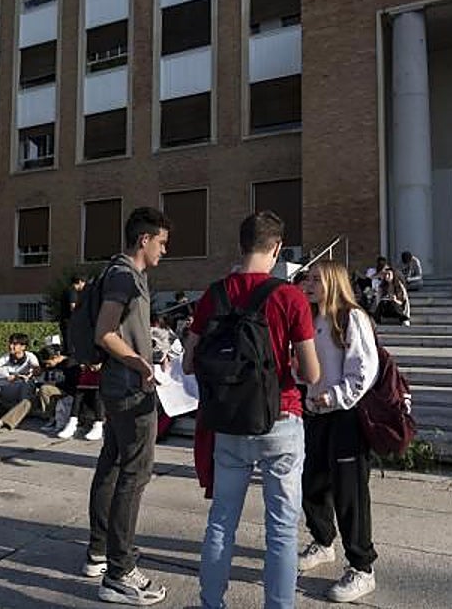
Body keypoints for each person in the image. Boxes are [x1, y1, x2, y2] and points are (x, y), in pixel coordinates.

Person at [184, 210, 320, 609]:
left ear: (241, 245)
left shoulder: (214, 294)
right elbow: (311, 372)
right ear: (276, 248)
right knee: (280, 530)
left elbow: (189, 362)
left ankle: (212, 603)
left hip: (228, 423)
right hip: (280, 419)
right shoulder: (290, 296)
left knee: (221, 523)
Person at [84, 206, 171, 605]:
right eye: (162, 242)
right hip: (129, 389)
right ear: (145, 240)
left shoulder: (116, 271)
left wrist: (148, 346)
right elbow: (105, 331)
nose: (164, 251)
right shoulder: (124, 275)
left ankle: (99, 553)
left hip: (117, 385)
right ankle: (120, 573)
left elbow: (116, 329)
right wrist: (138, 362)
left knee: (113, 464)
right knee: (134, 475)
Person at [297, 260, 381, 603]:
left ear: (333, 282)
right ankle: (323, 541)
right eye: (308, 278)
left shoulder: (351, 317)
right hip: (314, 413)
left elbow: (365, 368)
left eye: (317, 279)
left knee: (350, 494)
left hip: (345, 416)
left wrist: (334, 396)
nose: (309, 283)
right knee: (311, 481)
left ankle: (362, 567)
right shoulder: (311, 318)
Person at [0, 333, 40, 435]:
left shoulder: (30, 356)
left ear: (23, 347)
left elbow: (37, 369)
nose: (10, 346)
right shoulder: (6, 357)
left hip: (23, 389)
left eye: (14, 344)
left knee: (27, 383)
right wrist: (1, 374)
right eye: (10, 343)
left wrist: (23, 375)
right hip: (7, 387)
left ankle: (1, 422)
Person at [60, 276, 85, 355]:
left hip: (66, 322)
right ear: (80, 281)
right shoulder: (72, 291)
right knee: (71, 348)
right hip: (69, 322)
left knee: (69, 346)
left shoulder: (68, 290)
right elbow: (73, 308)